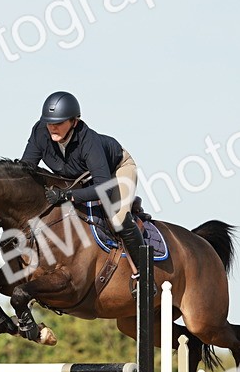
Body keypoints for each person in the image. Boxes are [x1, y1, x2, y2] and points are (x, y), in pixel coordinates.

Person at [19, 90, 147, 262]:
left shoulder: (89, 142)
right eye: (49, 123)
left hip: (116, 170)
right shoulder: (40, 132)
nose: (52, 127)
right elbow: (26, 170)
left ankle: (145, 276)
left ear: (74, 121)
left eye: (59, 122)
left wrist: (67, 195)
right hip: (81, 177)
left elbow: (103, 189)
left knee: (117, 218)